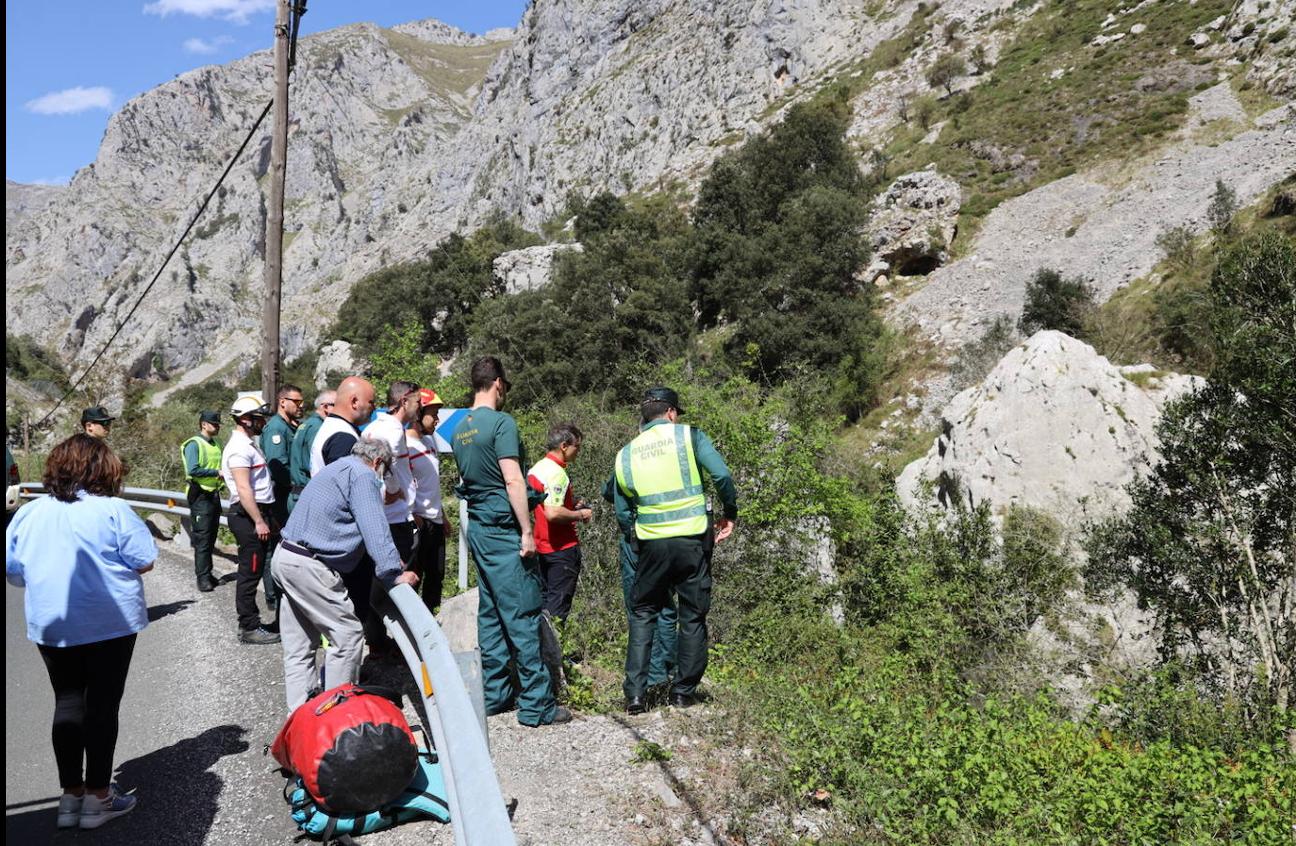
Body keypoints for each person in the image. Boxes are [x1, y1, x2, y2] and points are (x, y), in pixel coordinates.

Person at [6, 434, 156, 830]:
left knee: (68, 702)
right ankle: (99, 798)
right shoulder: (113, 509)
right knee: (103, 705)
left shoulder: (30, 513)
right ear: (102, 468)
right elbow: (143, 561)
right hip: (110, 622)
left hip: (52, 623)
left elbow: (14, 571)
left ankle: (70, 797)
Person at [451, 356, 570, 727]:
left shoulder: (458, 429)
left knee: (490, 613)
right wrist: (526, 531)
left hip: (480, 531)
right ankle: (537, 705)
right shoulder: (501, 424)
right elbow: (513, 480)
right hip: (504, 531)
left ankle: (495, 695)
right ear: (499, 384)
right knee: (522, 611)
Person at [614, 387, 737, 714]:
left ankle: (636, 696)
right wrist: (730, 512)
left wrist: (634, 535)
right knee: (692, 615)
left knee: (643, 614)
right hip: (692, 541)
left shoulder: (626, 453)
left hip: (652, 544)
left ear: (646, 417)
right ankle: (682, 693)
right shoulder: (690, 437)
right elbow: (722, 475)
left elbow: (623, 505)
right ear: (671, 413)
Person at [272, 439, 419, 710]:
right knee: (348, 635)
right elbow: (374, 527)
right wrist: (394, 572)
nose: (382, 479)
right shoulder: (364, 476)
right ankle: (337, 717)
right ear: (378, 463)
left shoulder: (338, 468)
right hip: (309, 566)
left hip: (286, 557)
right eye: (384, 473)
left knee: (300, 647)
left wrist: (385, 555)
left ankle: (301, 719)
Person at [360, 381, 422, 657]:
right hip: (394, 520)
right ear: (404, 401)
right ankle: (395, 646)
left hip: (384, 517)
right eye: (417, 401)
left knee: (377, 581)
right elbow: (383, 472)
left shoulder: (375, 427)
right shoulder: (393, 430)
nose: (419, 407)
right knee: (392, 584)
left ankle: (377, 642)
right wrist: (394, 493)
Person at [602, 472, 677, 697]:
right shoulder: (673, 453)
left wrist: (633, 532)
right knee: (665, 606)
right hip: (672, 540)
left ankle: (652, 678)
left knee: (641, 609)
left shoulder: (630, 457)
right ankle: (668, 672)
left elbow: (609, 493)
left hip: (638, 542)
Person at [220, 396, 281, 645]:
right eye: (259, 417)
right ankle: (249, 627)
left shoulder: (248, 444)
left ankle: (253, 624)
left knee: (255, 569)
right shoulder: (238, 449)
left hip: (258, 513)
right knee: (250, 572)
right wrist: (258, 520)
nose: (263, 421)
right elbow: (244, 490)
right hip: (247, 517)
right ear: (245, 419)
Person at [527, 423, 592, 623]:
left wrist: (571, 505)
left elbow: (541, 504)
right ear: (564, 446)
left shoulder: (536, 469)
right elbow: (553, 513)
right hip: (562, 548)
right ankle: (552, 653)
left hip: (541, 547)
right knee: (557, 609)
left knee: (544, 603)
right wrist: (581, 514)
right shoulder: (557, 473)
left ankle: (540, 651)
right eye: (577, 447)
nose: (578, 452)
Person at [407, 388, 451, 614]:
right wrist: (414, 516)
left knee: (436, 577)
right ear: (417, 413)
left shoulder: (429, 443)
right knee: (414, 579)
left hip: (434, 522)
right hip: (418, 524)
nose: (437, 419)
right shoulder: (405, 446)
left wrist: (442, 516)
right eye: (432, 414)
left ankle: (431, 631)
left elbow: (430, 484)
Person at [181, 410, 226, 592]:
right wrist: (217, 473)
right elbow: (193, 469)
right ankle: (202, 578)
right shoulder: (194, 444)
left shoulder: (216, 444)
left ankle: (208, 573)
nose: (217, 426)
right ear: (204, 425)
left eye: (218, 424)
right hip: (200, 495)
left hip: (213, 495)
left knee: (211, 536)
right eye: (214, 424)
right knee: (202, 538)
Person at [311, 377, 376, 475]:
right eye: (370, 402)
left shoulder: (332, 427)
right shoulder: (343, 438)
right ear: (354, 402)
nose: (374, 408)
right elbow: (344, 485)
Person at [261, 383, 304, 529]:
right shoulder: (276, 428)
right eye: (297, 402)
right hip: (281, 494)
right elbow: (277, 466)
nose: (301, 405)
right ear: (283, 402)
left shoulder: (289, 426)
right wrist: (297, 483)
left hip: (289, 492)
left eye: (302, 402)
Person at [288, 390, 335, 512]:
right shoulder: (319, 428)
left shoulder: (307, 424)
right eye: (338, 405)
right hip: (307, 496)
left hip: (299, 495)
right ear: (325, 407)